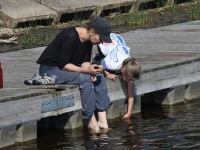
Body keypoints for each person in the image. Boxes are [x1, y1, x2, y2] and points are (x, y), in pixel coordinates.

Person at [26, 16, 112, 132]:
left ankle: (102, 120)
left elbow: (84, 61)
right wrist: (87, 71)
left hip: (68, 68)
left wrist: (92, 69)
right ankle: (91, 121)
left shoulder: (89, 40)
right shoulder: (70, 36)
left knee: (99, 75)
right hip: (51, 69)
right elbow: (64, 65)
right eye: (101, 38)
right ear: (92, 31)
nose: (101, 42)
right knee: (84, 78)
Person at [93, 33, 141, 119]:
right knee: (100, 63)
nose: (129, 81)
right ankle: (98, 57)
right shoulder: (113, 63)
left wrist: (129, 113)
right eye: (128, 79)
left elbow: (131, 95)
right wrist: (107, 74)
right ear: (123, 70)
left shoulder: (129, 63)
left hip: (117, 41)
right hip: (104, 39)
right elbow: (96, 66)